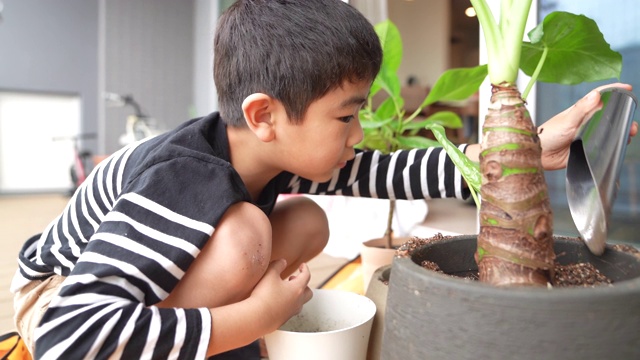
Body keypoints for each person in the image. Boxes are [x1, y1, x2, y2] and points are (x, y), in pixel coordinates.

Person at [11, 0, 638, 359]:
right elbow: (70, 331)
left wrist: (523, 149)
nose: (360, 132)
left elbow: (390, 170)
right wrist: (254, 318)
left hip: (129, 293)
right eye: (348, 113)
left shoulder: (261, 150)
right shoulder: (181, 183)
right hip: (57, 302)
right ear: (265, 115)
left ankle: (183, 330)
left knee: (305, 219)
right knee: (245, 236)